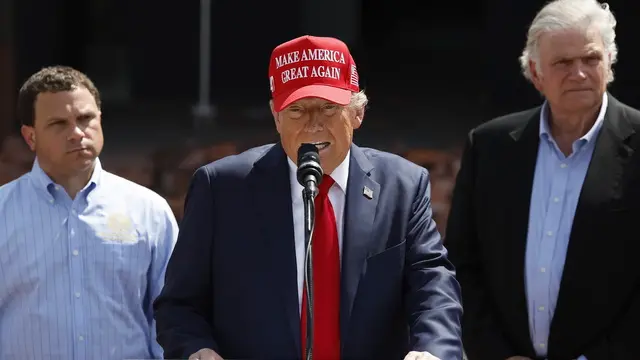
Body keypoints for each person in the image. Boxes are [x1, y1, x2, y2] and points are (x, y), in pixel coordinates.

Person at [154, 35, 463, 360]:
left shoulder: (402, 184)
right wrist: (196, 349)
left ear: (357, 113)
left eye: (329, 108)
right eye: (298, 110)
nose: (314, 124)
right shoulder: (221, 188)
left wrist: (432, 350)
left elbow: (432, 285)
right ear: (276, 116)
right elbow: (180, 305)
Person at [446, 1, 640, 359]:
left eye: (591, 59)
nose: (579, 73)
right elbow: (461, 265)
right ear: (535, 73)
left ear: (610, 64)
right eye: (563, 63)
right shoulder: (489, 146)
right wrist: (496, 353)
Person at [0, 66, 178, 359]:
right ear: (30, 137)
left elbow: (172, 314)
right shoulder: (4, 213)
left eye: (86, 119)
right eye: (59, 123)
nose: (77, 133)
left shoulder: (149, 211)